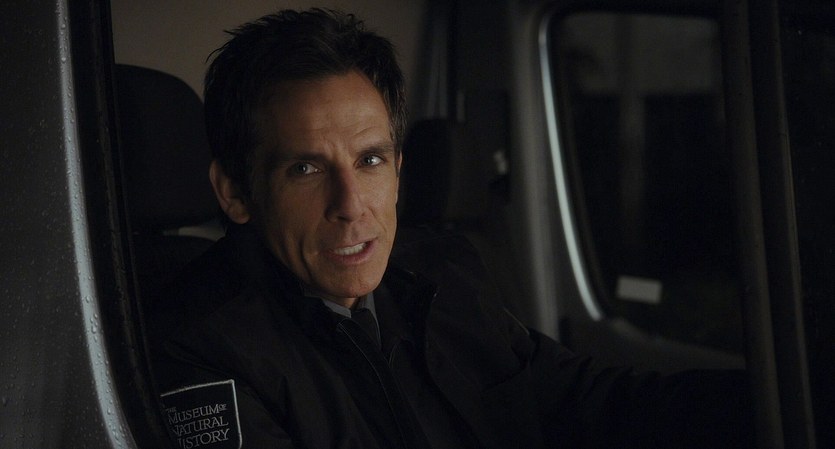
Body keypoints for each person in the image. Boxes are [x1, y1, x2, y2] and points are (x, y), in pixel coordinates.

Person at [148, 8, 752, 449]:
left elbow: (578, 400)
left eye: (370, 159)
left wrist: (765, 399)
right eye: (306, 169)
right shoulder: (199, 349)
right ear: (235, 192)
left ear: (399, 169)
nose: (351, 205)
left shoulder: (441, 271)